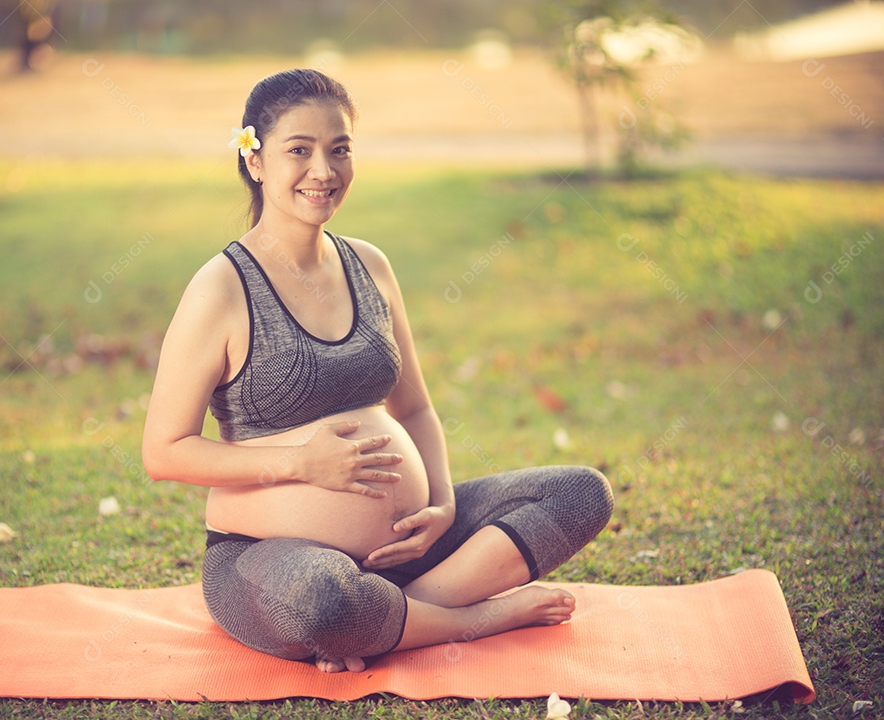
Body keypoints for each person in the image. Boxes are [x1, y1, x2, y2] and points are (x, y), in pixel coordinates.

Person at [141, 69, 614, 674]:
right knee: (324, 600)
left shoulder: (371, 266)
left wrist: (441, 504)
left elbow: (412, 408)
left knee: (578, 493)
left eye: (339, 150)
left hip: (407, 548)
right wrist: (298, 463)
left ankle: (391, 618)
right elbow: (164, 451)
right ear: (255, 161)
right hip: (271, 561)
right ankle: (469, 619)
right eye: (299, 151)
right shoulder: (221, 289)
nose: (323, 170)